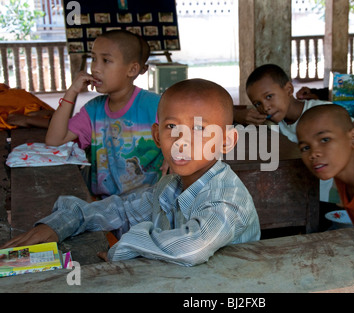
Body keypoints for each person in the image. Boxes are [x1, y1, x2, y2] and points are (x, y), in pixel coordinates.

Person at [1, 79, 261, 266]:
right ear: (156, 136)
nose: (182, 141)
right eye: (172, 126)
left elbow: (192, 247)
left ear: (227, 141)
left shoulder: (227, 199)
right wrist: (62, 223)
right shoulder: (170, 184)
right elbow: (122, 209)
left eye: (200, 129)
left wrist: (125, 246)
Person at [244, 64, 354, 202]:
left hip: (331, 198)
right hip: (303, 195)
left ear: (289, 89)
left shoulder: (322, 113)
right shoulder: (274, 123)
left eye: (269, 96)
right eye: (258, 103)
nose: (265, 107)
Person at [45, 30, 164, 198]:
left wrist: (173, 155)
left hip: (145, 204)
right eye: (93, 59)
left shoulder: (156, 105)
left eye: (106, 60)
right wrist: (71, 92)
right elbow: (54, 140)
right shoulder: (93, 110)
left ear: (132, 69)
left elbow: (186, 137)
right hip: (102, 204)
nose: (95, 68)